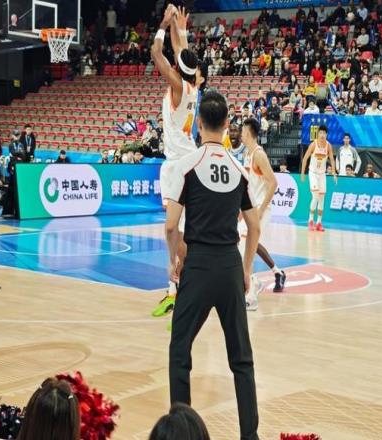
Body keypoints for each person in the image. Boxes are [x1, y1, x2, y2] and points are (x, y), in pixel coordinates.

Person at [163, 90, 260, 440]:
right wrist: (246, 270)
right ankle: (250, 435)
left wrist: (174, 260)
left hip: (199, 266)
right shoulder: (239, 169)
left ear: (198, 124)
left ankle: (182, 433)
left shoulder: (187, 166)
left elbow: (171, 226)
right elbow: (254, 227)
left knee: (180, 350)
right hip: (230, 265)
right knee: (241, 359)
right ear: (228, 124)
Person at [150, 5, 202, 319]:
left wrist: (162, 23)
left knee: (172, 230)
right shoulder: (192, 84)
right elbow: (181, 51)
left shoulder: (179, 86)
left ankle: (181, 273)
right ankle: (175, 285)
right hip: (187, 162)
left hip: (178, 165)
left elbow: (156, 53)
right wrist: (178, 28)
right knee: (177, 231)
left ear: (177, 69)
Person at [239, 118, 286, 311]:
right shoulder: (247, 154)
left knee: (245, 246)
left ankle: (252, 294)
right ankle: (269, 276)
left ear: (248, 132)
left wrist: (260, 210)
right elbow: (248, 185)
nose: (240, 134)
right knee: (248, 245)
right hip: (250, 208)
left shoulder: (259, 155)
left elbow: (273, 183)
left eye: (242, 131)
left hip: (261, 209)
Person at [300, 125, 336, 231]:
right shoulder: (313, 145)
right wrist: (302, 173)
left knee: (322, 198)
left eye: (324, 133)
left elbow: (332, 160)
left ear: (326, 135)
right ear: (318, 134)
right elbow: (305, 158)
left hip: (322, 174)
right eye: (320, 133)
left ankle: (319, 223)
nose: (322, 135)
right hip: (313, 173)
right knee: (315, 196)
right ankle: (310, 220)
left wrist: (334, 173)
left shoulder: (328, 146)